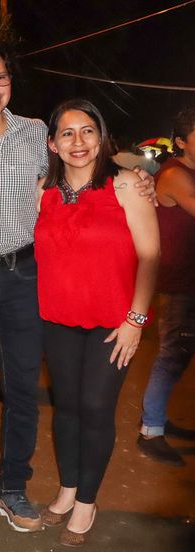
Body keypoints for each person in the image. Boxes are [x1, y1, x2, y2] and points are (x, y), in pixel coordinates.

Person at [0, 42, 156, 532]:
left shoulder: (35, 132)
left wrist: (141, 176)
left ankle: (13, 486)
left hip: (23, 276)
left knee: (22, 387)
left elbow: (85, 162)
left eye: (0, 77)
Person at [35, 98, 159, 546]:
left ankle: (87, 501)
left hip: (114, 323)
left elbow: (150, 255)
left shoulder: (126, 185)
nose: (78, 141)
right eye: (67, 133)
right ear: (53, 144)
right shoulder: (42, 191)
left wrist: (136, 320)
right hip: (58, 318)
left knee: (95, 407)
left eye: (87, 131)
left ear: (101, 137)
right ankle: (68, 489)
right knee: (66, 407)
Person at [137, 106, 195, 466]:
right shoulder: (175, 174)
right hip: (179, 285)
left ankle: (157, 417)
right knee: (172, 354)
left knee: (180, 355)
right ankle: (151, 430)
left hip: (189, 281)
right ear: (181, 142)